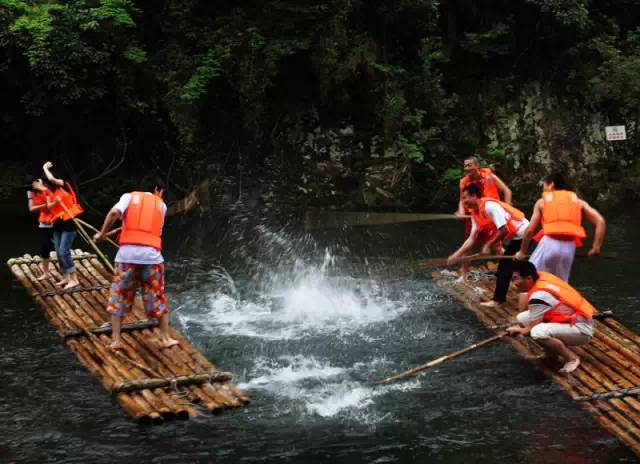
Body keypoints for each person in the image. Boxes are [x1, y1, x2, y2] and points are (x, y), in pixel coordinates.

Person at [93, 178, 179, 350]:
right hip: (152, 258)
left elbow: (113, 214)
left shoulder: (128, 197)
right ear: (157, 189)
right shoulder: (162, 206)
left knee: (119, 295)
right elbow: (152, 232)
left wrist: (102, 234)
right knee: (158, 296)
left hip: (126, 258)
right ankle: (165, 338)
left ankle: (116, 340)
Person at [448, 183, 529, 308]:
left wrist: (488, 244)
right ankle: (524, 291)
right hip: (516, 236)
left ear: (474, 196)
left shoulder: (490, 206)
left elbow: (504, 230)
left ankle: (498, 300)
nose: (463, 201)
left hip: (523, 233)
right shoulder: (475, 213)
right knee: (515, 265)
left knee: (504, 268)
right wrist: (456, 255)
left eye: (465, 198)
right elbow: (471, 239)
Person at [507, 261, 595, 374]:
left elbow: (529, 329)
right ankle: (551, 353)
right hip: (571, 319)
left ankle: (572, 358)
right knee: (522, 318)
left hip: (581, 330)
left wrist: (517, 330)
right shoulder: (542, 276)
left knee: (537, 332)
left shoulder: (539, 297)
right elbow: (526, 314)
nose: (513, 283)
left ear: (529, 278)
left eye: (515, 279)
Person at [514, 173, 606, 282]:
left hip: (549, 244)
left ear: (551, 185)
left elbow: (530, 230)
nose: (543, 190)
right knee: (560, 284)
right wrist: (596, 247)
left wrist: (522, 252)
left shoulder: (542, 202)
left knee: (529, 279)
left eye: (544, 186)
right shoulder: (578, 202)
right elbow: (600, 222)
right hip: (569, 248)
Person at [456, 156, 513, 281]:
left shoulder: (488, 175)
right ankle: (463, 275)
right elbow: (462, 199)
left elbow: (506, 191)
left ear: (477, 166)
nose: (466, 168)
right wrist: (461, 211)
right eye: (465, 166)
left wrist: (507, 209)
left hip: (490, 216)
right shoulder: (464, 182)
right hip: (474, 216)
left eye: (469, 165)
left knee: (497, 247)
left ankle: (512, 271)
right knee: (468, 246)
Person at [43, 161, 83, 289]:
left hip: (69, 224)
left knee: (63, 251)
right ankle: (66, 277)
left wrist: (45, 167)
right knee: (58, 252)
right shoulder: (51, 193)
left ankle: (74, 279)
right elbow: (48, 206)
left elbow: (51, 178)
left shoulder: (64, 185)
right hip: (58, 224)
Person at [27, 178, 55, 281]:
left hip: (55, 222)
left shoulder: (48, 190)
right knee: (45, 248)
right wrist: (45, 205)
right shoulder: (31, 193)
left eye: (35, 183)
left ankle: (67, 274)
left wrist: (46, 205)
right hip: (44, 223)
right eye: (32, 184)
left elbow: (52, 206)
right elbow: (31, 208)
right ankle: (46, 273)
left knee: (61, 249)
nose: (33, 185)